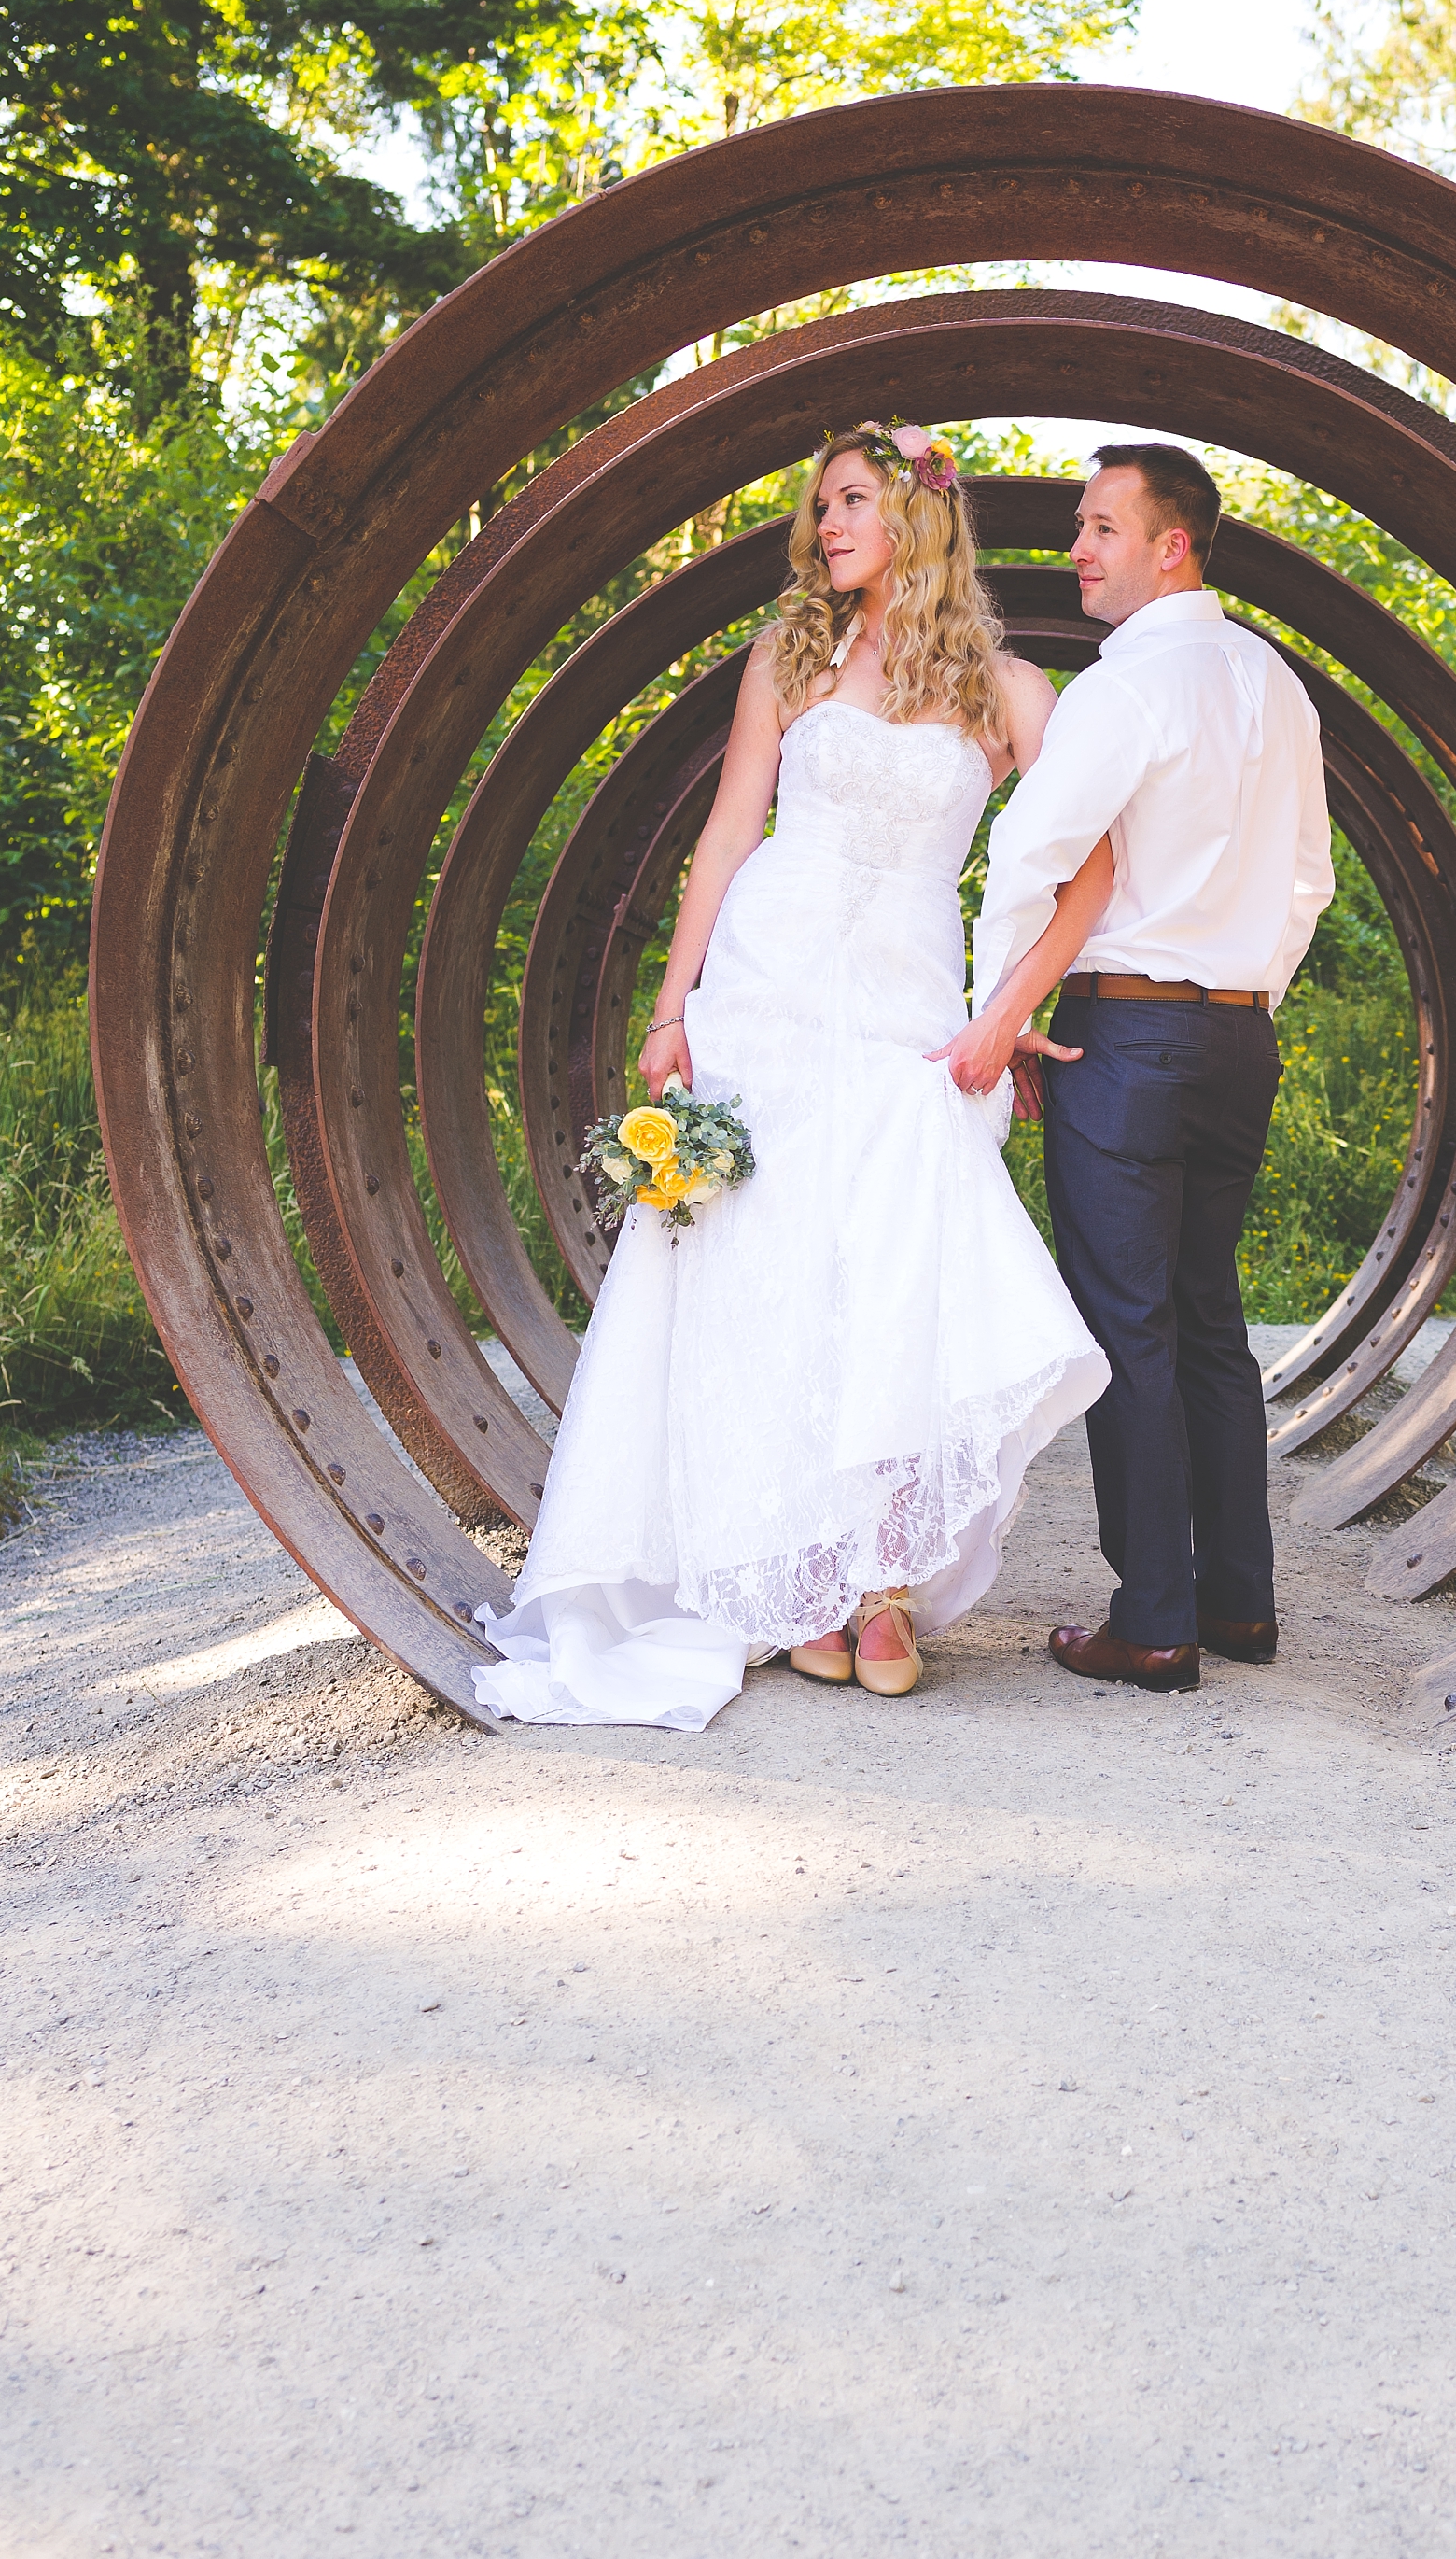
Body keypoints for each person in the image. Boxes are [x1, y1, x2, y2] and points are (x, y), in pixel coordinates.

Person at [473, 425, 1112, 1730]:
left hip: (908, 1011)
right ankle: (802, 1576)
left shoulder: (1007, 691)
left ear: (921, 515)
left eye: (853, 500)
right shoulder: (792, 656)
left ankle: (884, 1579)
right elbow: (727, 830)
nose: (826, 526)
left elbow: (1093, 869)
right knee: (764, 1272)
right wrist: (670, 1010)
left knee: (888, 1269)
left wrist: (1009, 1013)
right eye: (820, 507)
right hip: (765, 990)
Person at [938, 444, 1333, 1695]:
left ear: (1177, 545)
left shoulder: (1127, 685)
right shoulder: (1278, 686)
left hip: (1129, 1032)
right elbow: (1310, 880)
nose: (1079, 549)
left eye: (1104, 526)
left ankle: (1154, 1616)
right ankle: (1239, 1601)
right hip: (1235, 1037)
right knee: (1210, 1316)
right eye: (1079, 526)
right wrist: (1242, 996)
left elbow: (1034, 852)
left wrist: (1006, 1003)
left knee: (1131, 1323)